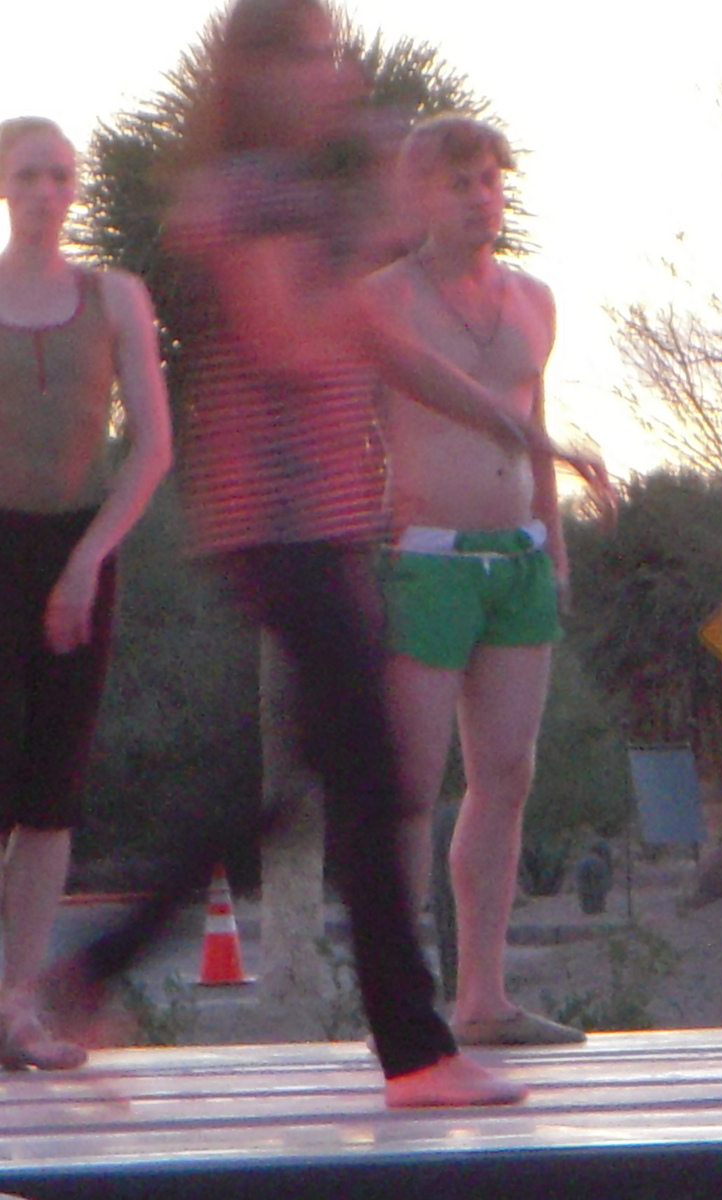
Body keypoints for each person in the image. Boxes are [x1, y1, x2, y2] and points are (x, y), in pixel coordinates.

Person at [38, 0, 537, 1107]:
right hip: (274, 520)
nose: (333, 72)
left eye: (332, 52)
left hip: (323, 522)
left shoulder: (302, 195)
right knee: (374, 780)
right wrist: (381, 228)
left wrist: (510, 422)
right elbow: (293, 338)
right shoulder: (245, 193)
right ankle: (417, 1052)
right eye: (312, 54)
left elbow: (375, 342)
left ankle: (96, 968)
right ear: (258, 72)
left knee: (321, 777)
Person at [368, 115, 586, 1047]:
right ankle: (401, 1002)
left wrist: (556, 547)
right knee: (411, 784)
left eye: (489, 179)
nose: (478, 196)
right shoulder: (384, 299)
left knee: (506, 774)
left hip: (519, 557)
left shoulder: (535, 299)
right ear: (420, 195)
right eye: (458, 182)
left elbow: (537, 424)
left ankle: (484, 996)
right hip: (426, 556)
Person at [0, 118, 172, 1070]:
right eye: (28, 174)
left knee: (51, 789)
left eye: (60, 176)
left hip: (79, 543)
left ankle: (18, 1008)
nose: (45, 191)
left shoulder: (114, 296)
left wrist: (87, 560)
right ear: (2, 185)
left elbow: (151, 445)